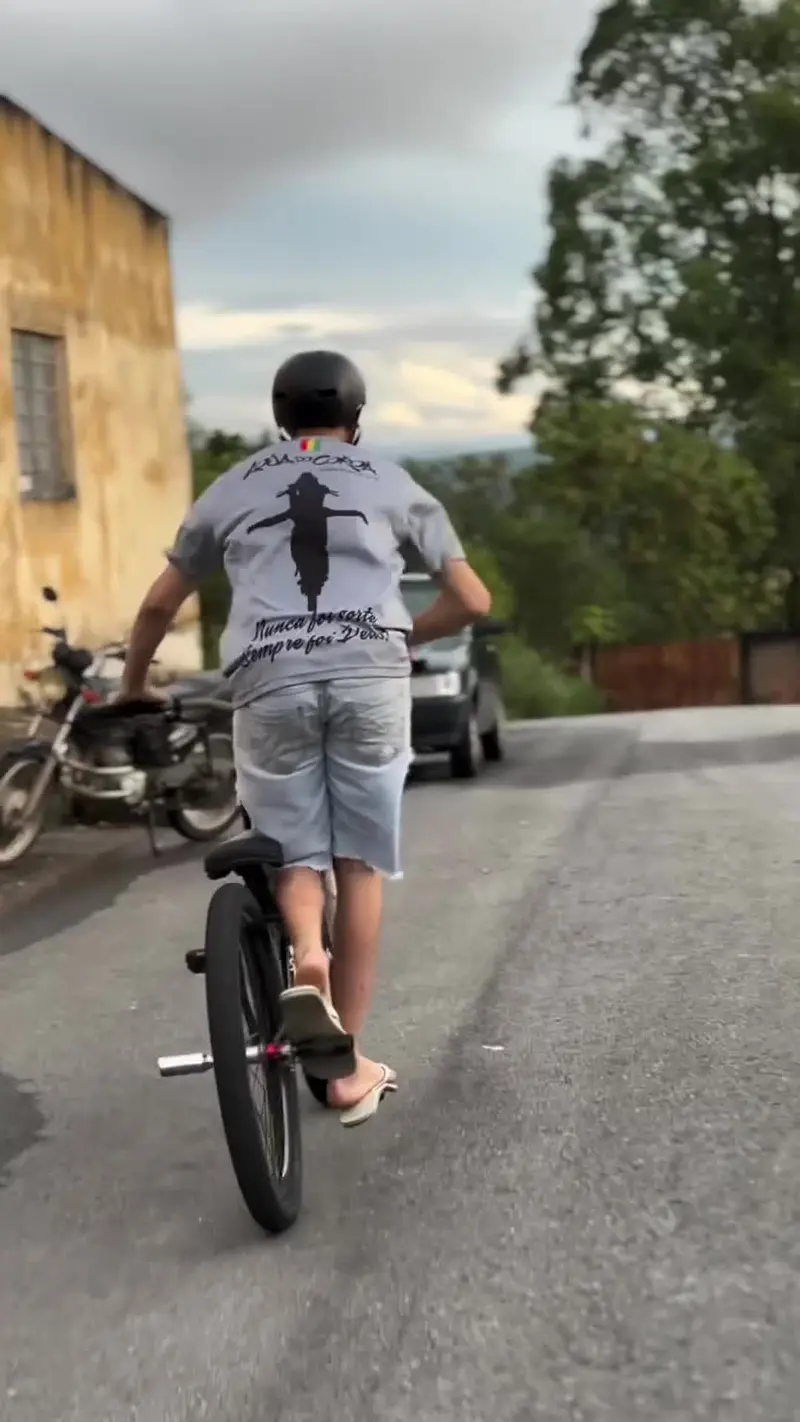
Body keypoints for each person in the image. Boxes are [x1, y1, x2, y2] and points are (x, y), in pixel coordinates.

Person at [118, 350, 491, 1126]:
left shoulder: (232, 486)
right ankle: (347, 1068)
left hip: (269, 677)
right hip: (370, 677)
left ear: (280, 418)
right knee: (359, 863)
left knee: (292, 848)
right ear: (356, 418)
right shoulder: (391, 481)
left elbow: (157, 606)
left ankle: (305, 952)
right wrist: (401, 637)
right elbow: (471, 599)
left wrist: (133, 686)